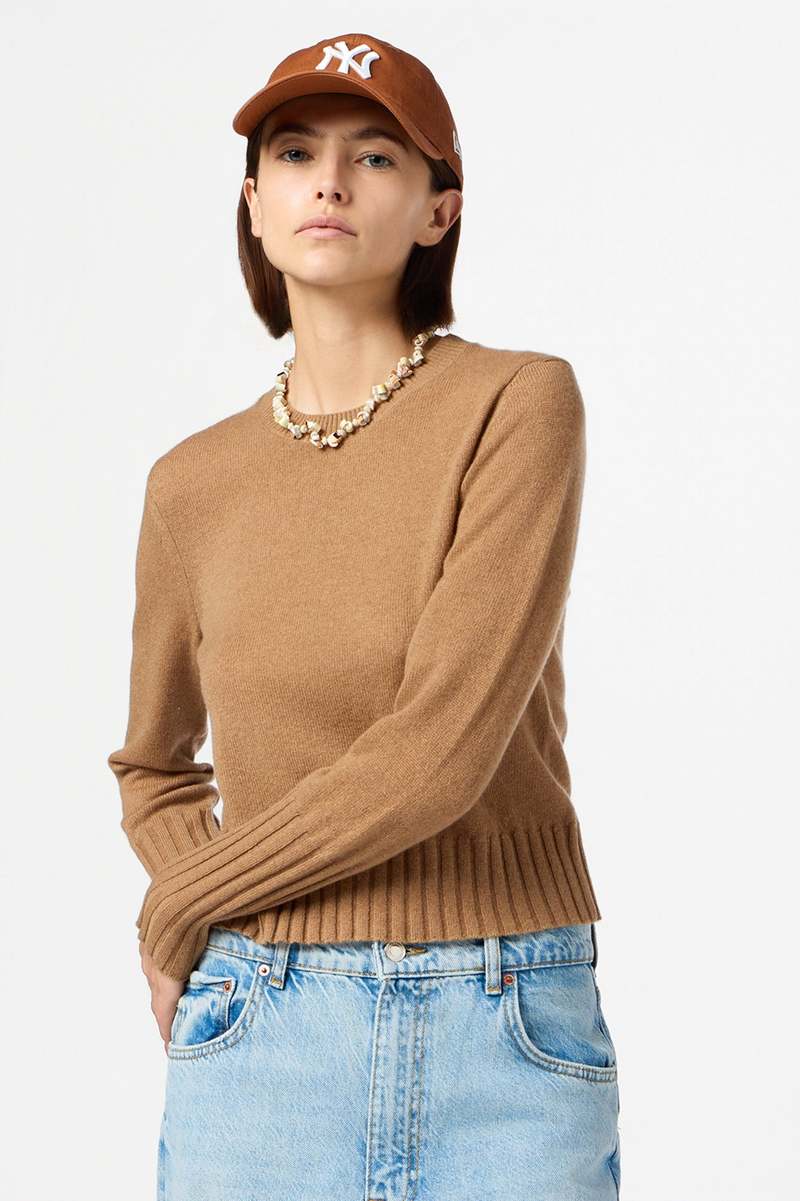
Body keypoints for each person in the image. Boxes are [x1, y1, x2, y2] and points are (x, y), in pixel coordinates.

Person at [107, 30, 621, 1201]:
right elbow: (154, 766)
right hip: (261, 1023)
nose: (329, 182)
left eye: (375, 156)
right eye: (294, 154)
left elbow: (438, 751)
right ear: (254, 204)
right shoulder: (190, 483)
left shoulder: (514, 404)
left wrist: (188, 898)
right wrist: (216, 919)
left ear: (439, 210)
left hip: (504, 1021)